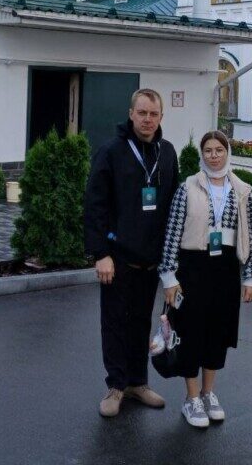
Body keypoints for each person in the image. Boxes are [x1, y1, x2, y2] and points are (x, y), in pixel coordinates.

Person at [83, 89, 179, 418]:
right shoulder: (111, 151)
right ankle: (116, 386)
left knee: (140, 323)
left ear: (161, 117)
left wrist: (170, 261)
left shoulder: (167, 153)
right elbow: (94, 205)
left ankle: (138, 383)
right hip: (117, 257)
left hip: (150, 259)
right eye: (142, 113)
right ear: (131, 114)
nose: (147, 119)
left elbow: (173, 207)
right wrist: (100, 253)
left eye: (153, 114)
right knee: (114, 323)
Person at [159, 131, 252, 428]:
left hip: (226, 270)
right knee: (190, 332)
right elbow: (172, 233)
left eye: (219, 150)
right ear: (202, 154)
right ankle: (191, 398)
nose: (214, 155)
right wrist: (169, 277)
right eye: (208, 150)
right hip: (192, 269)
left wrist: (251, 277)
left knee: (218, 332)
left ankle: (208, 392)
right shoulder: (188, 187)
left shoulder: (242, 190)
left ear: (227, 152)